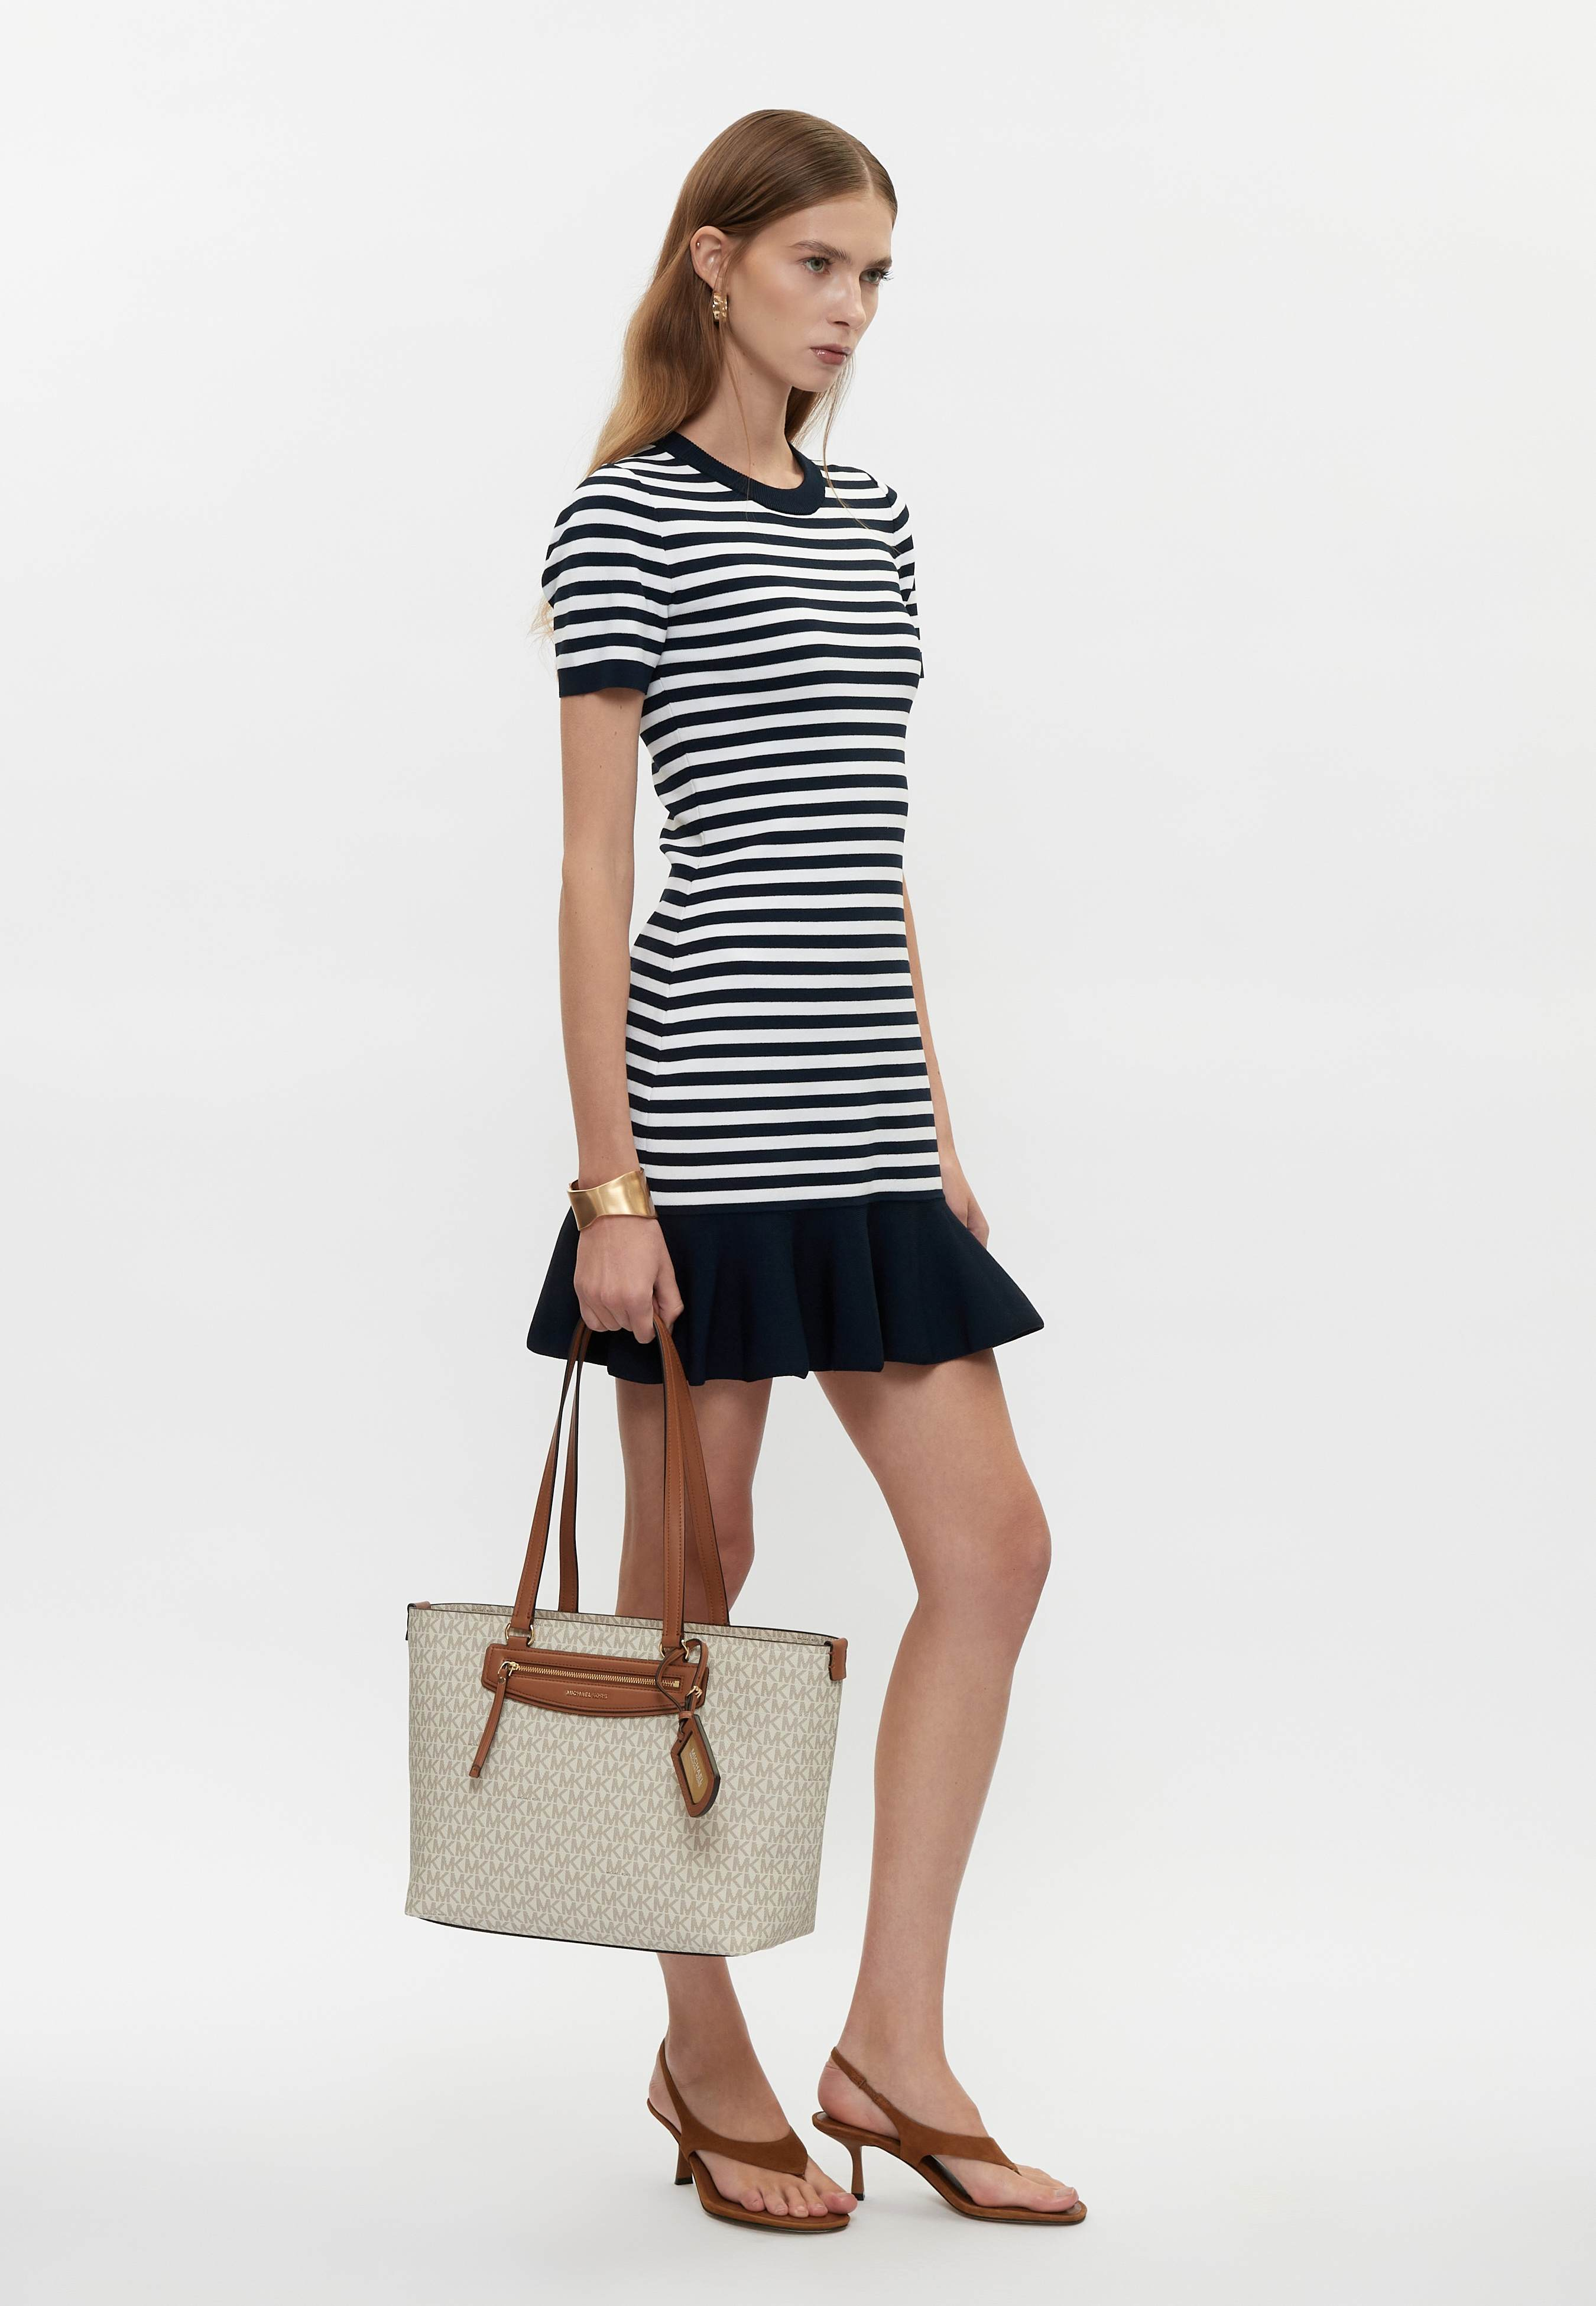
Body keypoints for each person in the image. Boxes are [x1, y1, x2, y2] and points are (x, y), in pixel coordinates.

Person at [526, 108, 1085, 2233]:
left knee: (995, 1552)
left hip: (863, 1132)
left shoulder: (876, 526)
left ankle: (891, 2048)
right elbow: (597, 869)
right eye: (815, 265)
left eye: (873, 276)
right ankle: (702, 2046)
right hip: (699, 1131)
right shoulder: (622, 516)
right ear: (715, 264)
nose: (849, 309)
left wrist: (935, 1138)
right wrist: (610, 1187)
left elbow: (870, 846)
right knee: (690, 1588)